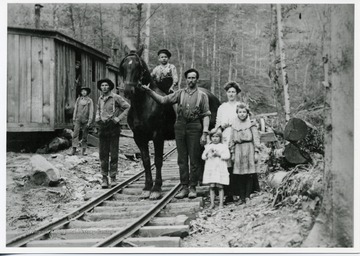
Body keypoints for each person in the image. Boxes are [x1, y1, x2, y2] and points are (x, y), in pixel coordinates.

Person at [142, 68, 211, 199]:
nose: (191, 80)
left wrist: (205, 132)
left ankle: (192, 187)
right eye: (189, 78)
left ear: (197, 79)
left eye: (193, 78)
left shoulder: (202, 96)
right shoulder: (179, 93)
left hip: (195, 126)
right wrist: (149, 91)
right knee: (182, 159)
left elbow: (206, 115)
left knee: (194, 158)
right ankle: (184, 187)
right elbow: (163, 100)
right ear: (186, 80)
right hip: (180, 126)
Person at [95, 78, 130, 188]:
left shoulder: (116, 97)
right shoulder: (100, 98)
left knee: (113, 153)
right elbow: (98, 109)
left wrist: (119, 118)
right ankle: (104, 178)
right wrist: (97, 117)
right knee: (103, 154)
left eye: (106, 85)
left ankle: (113, 177)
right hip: (102, 126)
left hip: (113, 127)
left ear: (110, 87)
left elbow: (128, 107)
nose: (104, 87)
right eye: (102, 85)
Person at [215, 81, 242, 204]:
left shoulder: (240, 105)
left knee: (238, 163)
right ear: (226, 93)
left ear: (236, 93)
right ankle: (228, 193)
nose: (231, 94)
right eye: (229, 92)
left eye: (233, 92)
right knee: (227, 165)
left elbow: (245, 120)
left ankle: (239, 192)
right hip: (226, 135)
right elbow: (218, 124)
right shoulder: (222, 107)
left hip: (238, 135)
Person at [229, 103, 261, 205]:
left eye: (244, 112)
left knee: (249, 174)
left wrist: (256, 152)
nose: (242, 114)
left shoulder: (251, 124)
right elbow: (231, 140)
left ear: (247, 113)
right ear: (237, 113)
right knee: (239, 175)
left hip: (249, 149)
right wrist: (232, 153)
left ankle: (247, 196)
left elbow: (256, 139)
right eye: (240, 112)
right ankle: (241, 197)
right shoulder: (234, 125)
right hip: (238, 149)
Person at [202, 128, 230, 209]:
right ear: (210, 138)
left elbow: (227, 156)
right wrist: (207, 153)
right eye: (213, 136)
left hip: (219, 168)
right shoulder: (208, 147)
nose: (215, 138)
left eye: (217, 136)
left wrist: (219, 154)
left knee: (220, 186)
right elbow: (203, 157)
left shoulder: (223, 146)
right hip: (211, 168)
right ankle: (212, 203)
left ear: (220, 138)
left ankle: (221, 203)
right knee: (212, 186)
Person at [69, 86, 93, 156]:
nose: (83, 92)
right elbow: (75, 109)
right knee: (75, 134)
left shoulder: (89, 100)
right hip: (78, 119)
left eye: (85, 91)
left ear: (87, 92)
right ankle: (73, 149)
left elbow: (91, 111)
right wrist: (74, 118)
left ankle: (84, 150)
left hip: (86, 120)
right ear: (81, 92)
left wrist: (89, 121)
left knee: (84, 135)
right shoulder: (78, 99)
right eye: (82, 91)